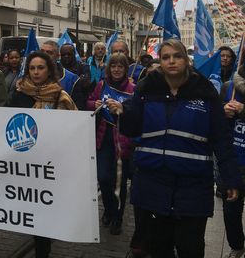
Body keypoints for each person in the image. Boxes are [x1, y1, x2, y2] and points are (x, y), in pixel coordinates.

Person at [107, 39, 240, 257]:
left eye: (177, 56)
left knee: (190, 247)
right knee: (159, 248)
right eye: (166, 57)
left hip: (193, 186)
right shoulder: (147, 87)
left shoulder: (204, 91)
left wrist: (231, 178)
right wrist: (122, 112)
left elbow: (221, 139)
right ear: (161, 61)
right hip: (152, 183)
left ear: (186, 60)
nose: (171, 61)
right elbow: (132, 129)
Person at [7, 50, 76, 257]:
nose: (36, 72)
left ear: (49, 70)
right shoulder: (18, 94)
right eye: (32, 68)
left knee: (44, 213)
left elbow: (71, 129)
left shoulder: (59, 96)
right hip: (25, 160)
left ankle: (42, 251)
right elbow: (5, 123)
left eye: (41, 68)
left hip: (49, 162)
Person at [87, 53, 135, 236]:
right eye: (113, 66)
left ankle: (117, 217)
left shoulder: (132, 89)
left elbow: (137, 113)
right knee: (103, 178)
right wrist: (95, 104)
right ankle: (108, 208)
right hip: (103, 138)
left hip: (122, 141)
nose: (116, 69)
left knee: (120, 183)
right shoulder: (102, 85)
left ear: (125, 68)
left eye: (120, 66)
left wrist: (123, 109)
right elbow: (89, 101)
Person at [219, 63, 245, 258]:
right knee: (230, 211)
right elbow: (215, 120)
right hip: (233, 162)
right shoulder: (229, 87)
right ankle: (236, 245)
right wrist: (223, 111)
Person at [41, 41, 85, 110]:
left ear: (58, 56)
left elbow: (78, 108)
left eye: (49, 53)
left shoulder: (72, 80)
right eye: (42, 52)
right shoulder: (30, 78)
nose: (44, 55)